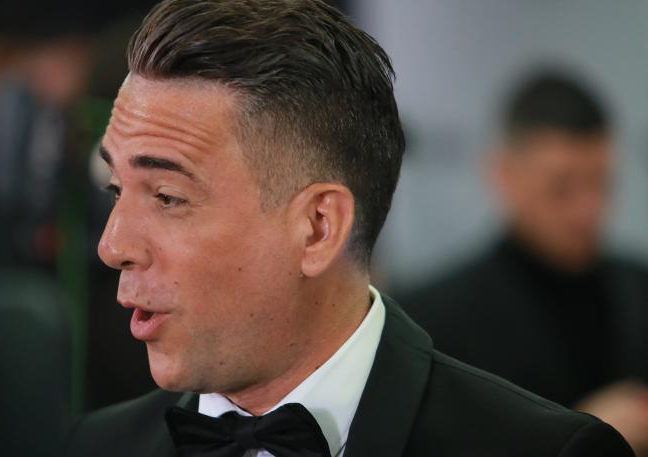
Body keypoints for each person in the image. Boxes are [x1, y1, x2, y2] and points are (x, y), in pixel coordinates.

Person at [65, 2, 634, 456]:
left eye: (167, 197)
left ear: (318, 227)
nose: (112, 246)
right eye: (116, 191)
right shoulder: (95, 446)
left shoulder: (543, 449)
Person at [404, 72, 648, 454]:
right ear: (504, 175)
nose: (588, 209)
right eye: (561, 188)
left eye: (601, 183)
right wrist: (582, 437)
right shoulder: (431, 319)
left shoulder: (639, 286)